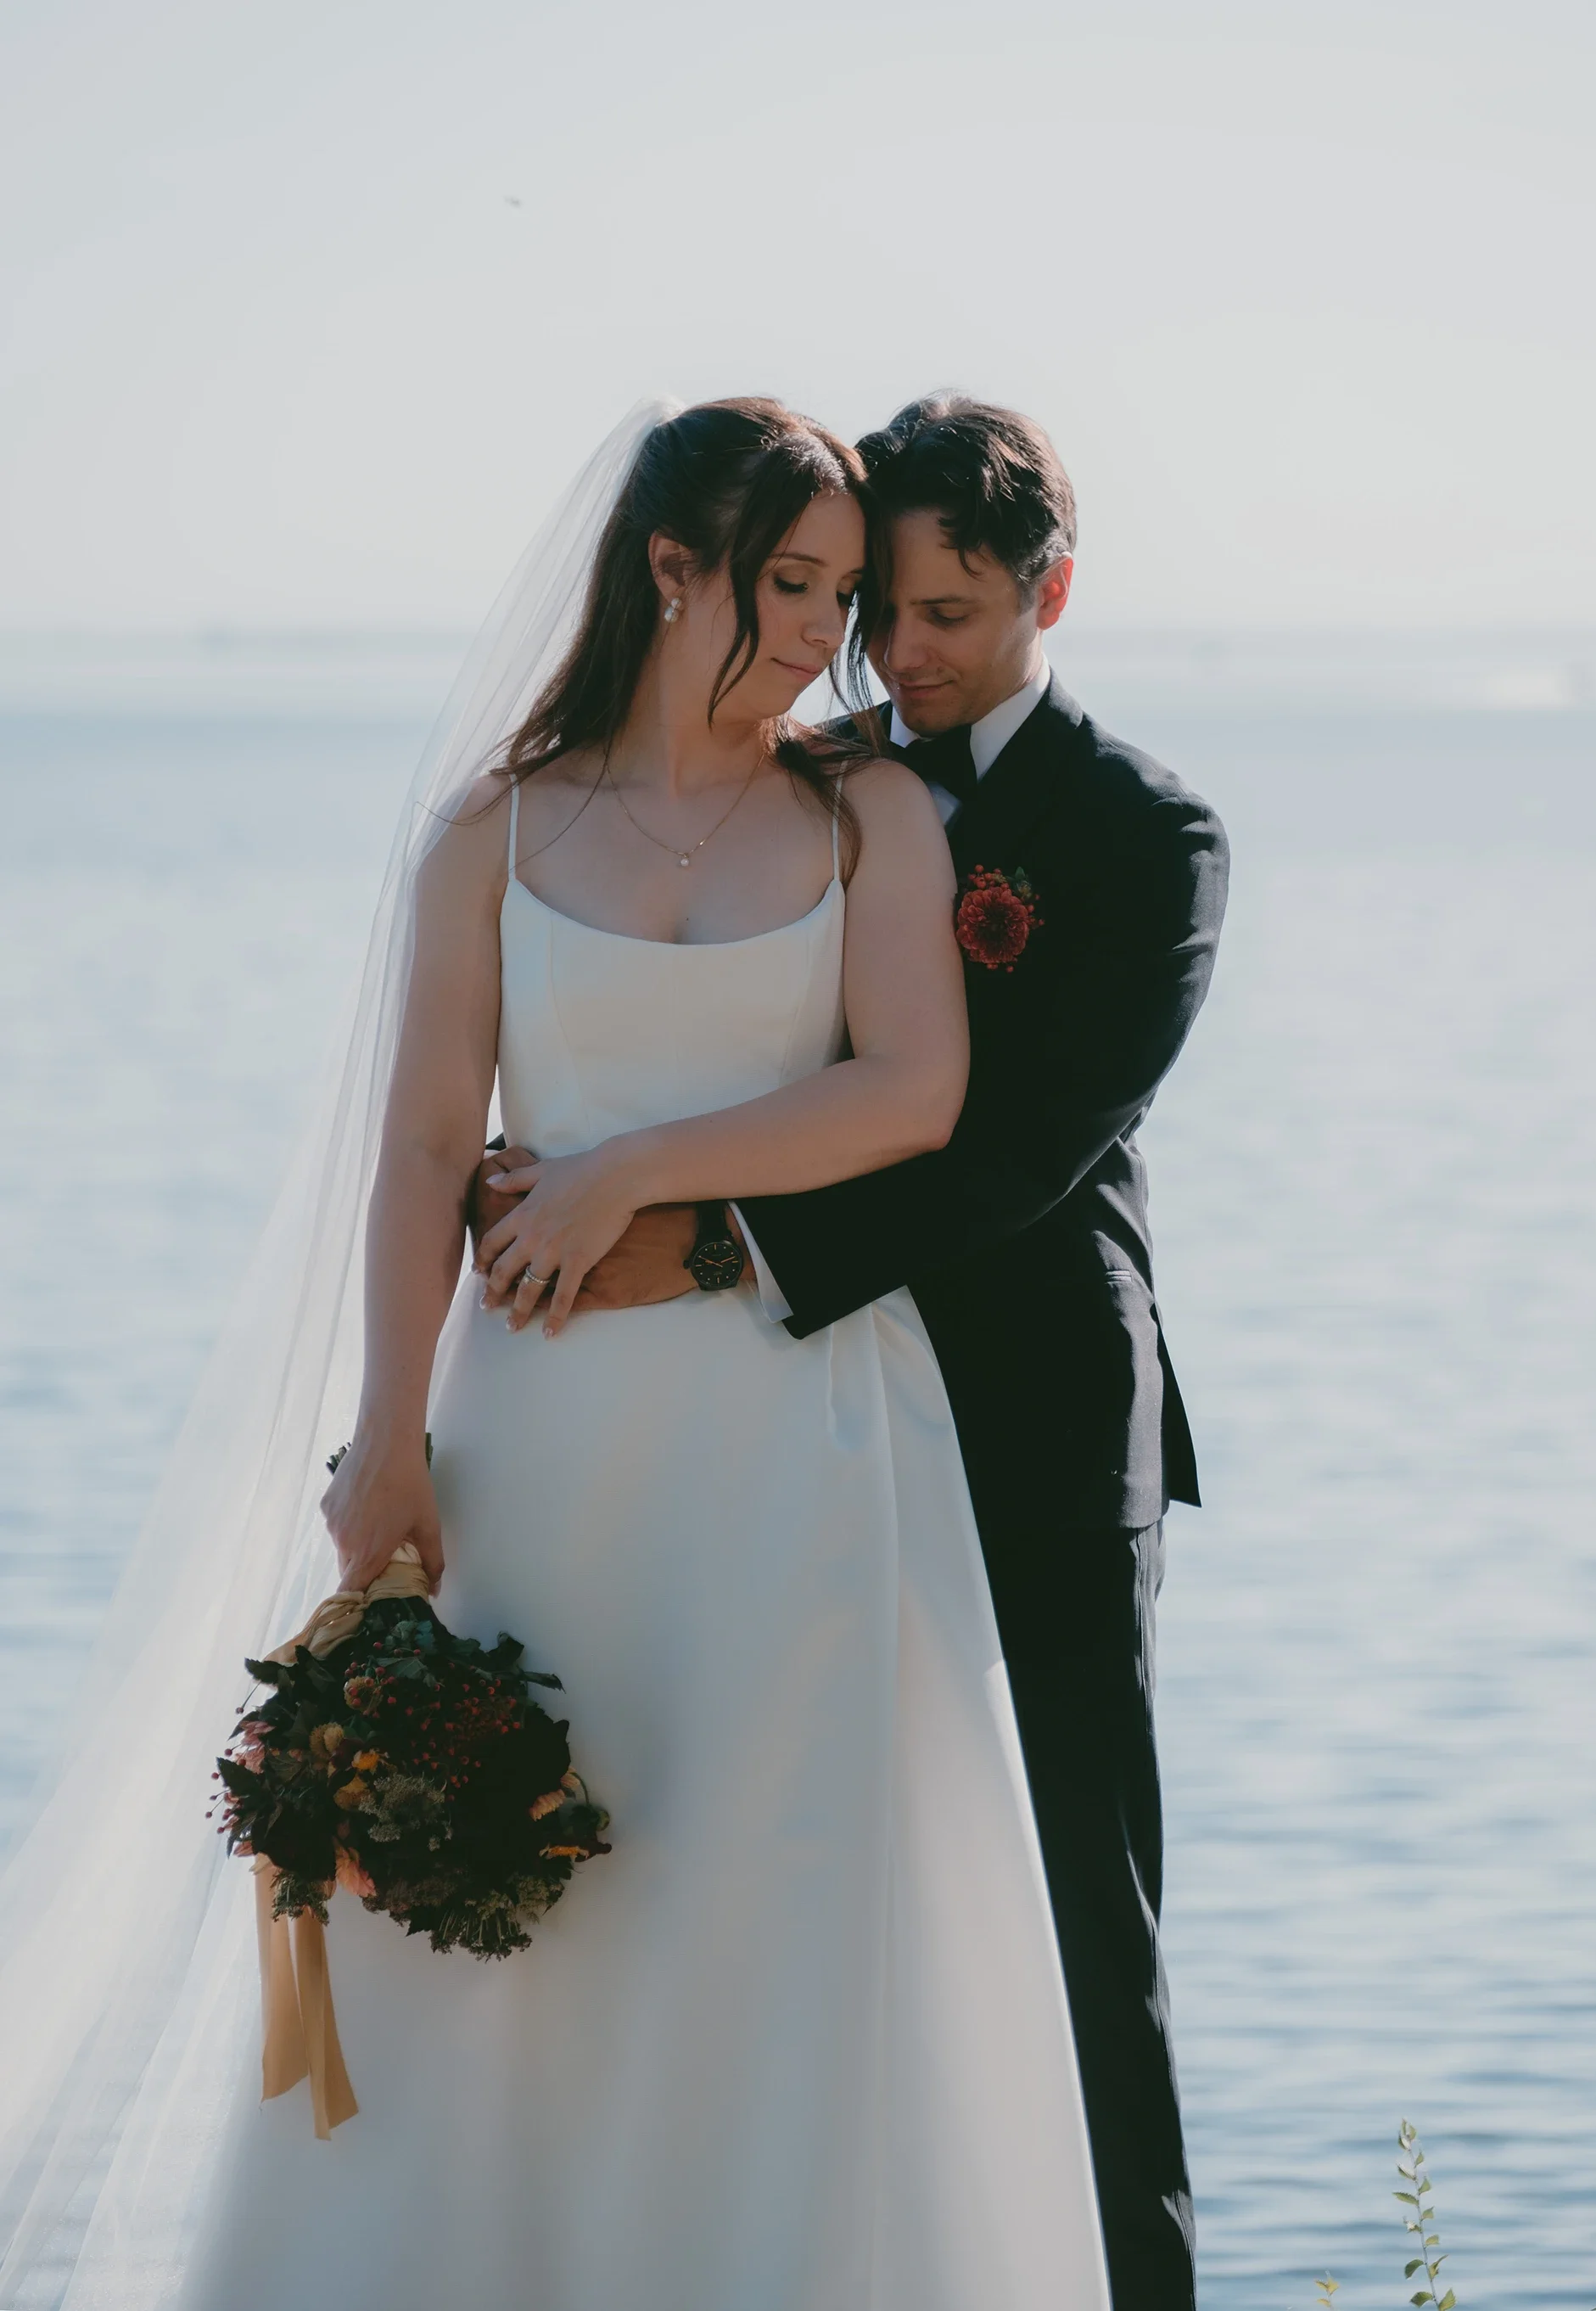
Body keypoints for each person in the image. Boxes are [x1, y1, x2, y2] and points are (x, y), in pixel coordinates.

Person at [168, 400, 1111, 2310]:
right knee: (534, 1925)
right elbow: (428, 1150)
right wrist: (388, 1438)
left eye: (842, 597)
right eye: (785, 587)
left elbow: (915, 1092)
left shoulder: (868, 812)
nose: (815, 637)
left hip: (809, 1443)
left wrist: (625, 1170)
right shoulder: (493, 835)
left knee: (781, 1907)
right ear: (668, 568)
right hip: (545, 1445)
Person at [477, 395, 1229, 2311]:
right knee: (798, 1886)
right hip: (787, 1423)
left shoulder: (1151, 836)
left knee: (1072, 1917)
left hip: (1034, 1418)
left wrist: (708, 1243)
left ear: (1055, 589)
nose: (899, 652)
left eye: (952, 615)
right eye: (880, 607)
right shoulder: (811, 783)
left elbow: (1012, 1147)